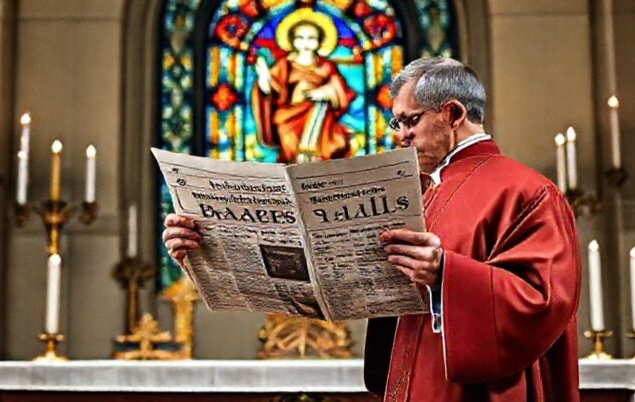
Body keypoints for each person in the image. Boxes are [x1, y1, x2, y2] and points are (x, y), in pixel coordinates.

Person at [163, 56, 581, 401]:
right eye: (396, 124)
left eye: (409, 121)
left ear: (452, 113)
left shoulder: (526, 192)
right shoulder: (416, 191)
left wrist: (445, 274)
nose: (401, 136)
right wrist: (206, 251)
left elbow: (545, 303)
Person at [252, 9, 355, 163]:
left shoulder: (326, 66)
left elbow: (341, 91)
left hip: (319, 112)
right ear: (292, 40)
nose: (305, 42)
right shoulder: (284, 65)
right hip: (289, 113)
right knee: (281, 123)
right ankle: (293, 165)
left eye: (311, 38)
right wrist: (264, 81)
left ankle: (316, 167)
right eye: (300, 37)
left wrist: (326, 92)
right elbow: (272, 92)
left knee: (332, 140)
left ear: (320, 41)